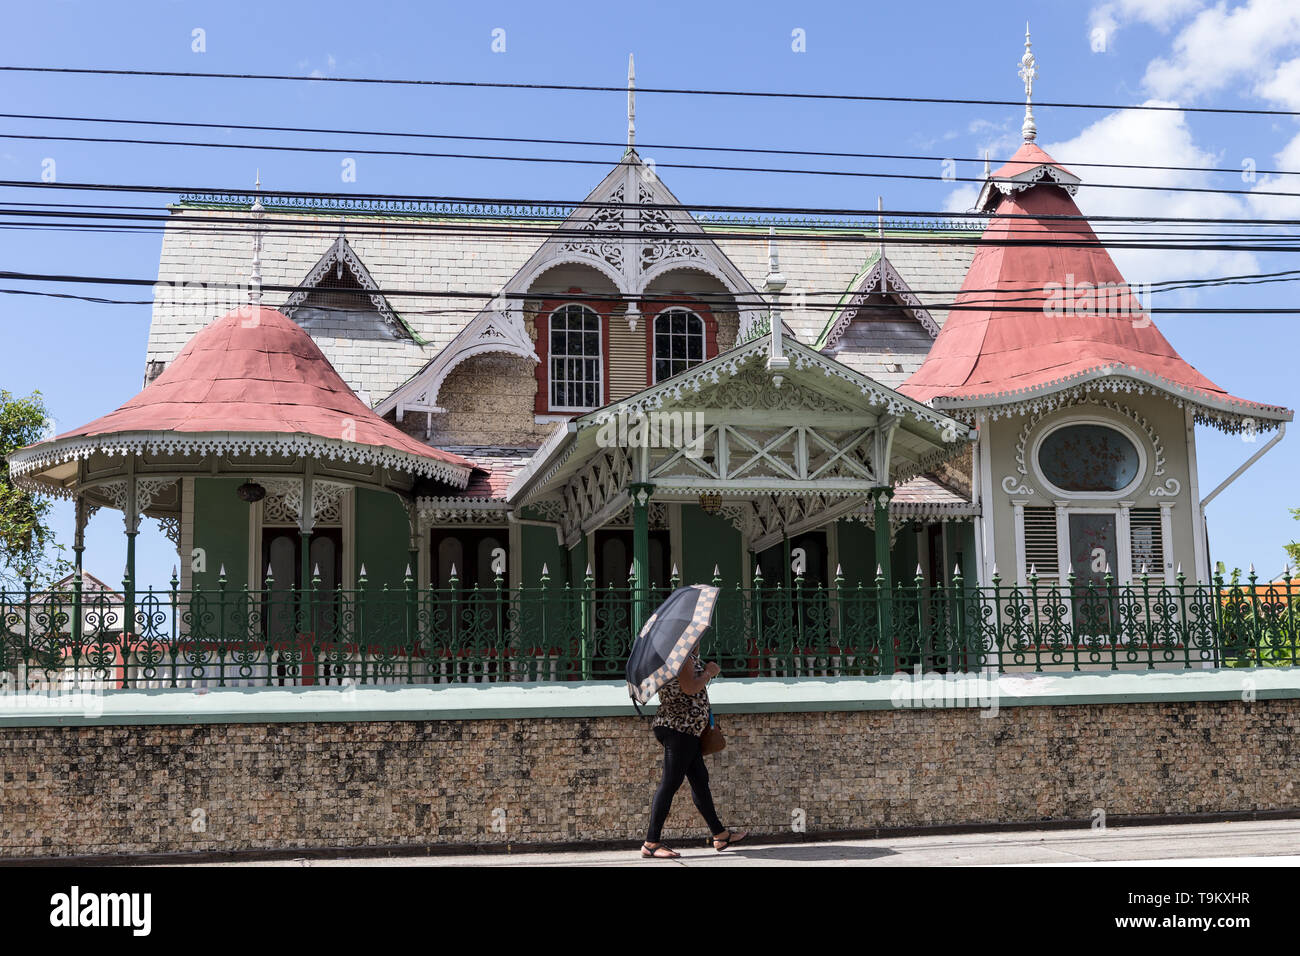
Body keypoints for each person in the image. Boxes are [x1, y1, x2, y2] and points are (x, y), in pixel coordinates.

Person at [641, 648, 748, 859]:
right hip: (679, 728)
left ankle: (720, 835)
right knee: (670, 783)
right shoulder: (680, 655)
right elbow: (689, 688)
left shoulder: (680, 655)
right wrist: (708, 672)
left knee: (700, 780)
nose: (699, 641)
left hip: (685, 729)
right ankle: (651, 842)